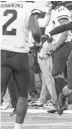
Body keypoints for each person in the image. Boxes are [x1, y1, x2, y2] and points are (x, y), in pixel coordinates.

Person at [1, 1, 41, 129]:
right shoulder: (29, 7)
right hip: (19, 55)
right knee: (23, 95)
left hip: (1, 52)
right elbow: (36, 32)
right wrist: (39, 42)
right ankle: (17, 127)